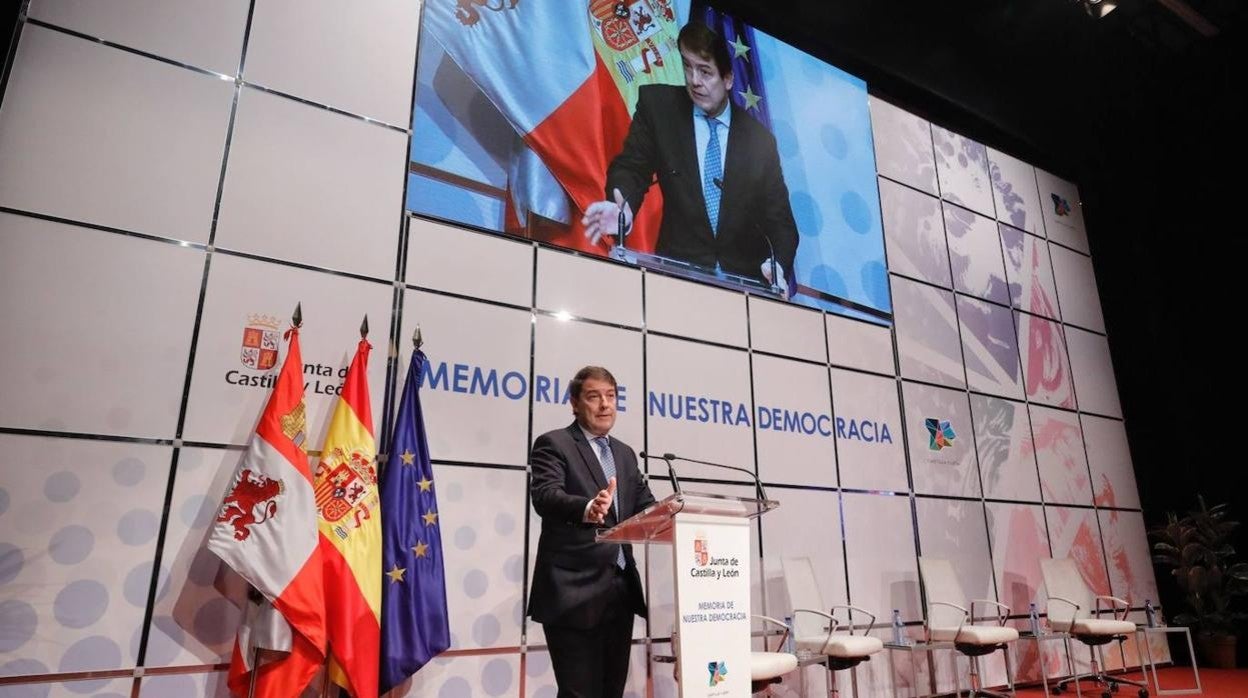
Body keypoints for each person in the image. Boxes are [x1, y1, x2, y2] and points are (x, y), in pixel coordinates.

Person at [582, 21, 799, 292]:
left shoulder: (759, 140)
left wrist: (777, 266)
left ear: (728, 79)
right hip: (677, 280)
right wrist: (623, 207)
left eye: (705, 72)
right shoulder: (659, 107)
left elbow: (781, 223)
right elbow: (632, 167)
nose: (694, 81)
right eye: (688, 67)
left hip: (744, 289)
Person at [528, 366, 656, 698]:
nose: (604, 405)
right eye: (594, 396)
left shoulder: (625, 454)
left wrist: (683, 514)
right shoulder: (554, 443)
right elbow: (546, 495)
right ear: (574, 403)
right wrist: (587, 508)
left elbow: (647, 507)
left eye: (611, 396)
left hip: (620, 590)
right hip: (573, 592)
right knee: (579, 693)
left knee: (612, 690)